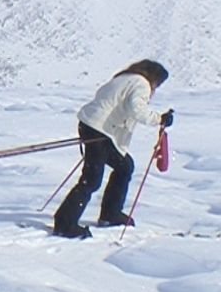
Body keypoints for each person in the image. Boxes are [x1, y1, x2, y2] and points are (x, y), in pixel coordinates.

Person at [53, 59, 174, 238]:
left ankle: (111, 213)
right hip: (100, 130)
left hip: (93, 126)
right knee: (91, 179)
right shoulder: (141, 84)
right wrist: (160, 119)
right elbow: (137, 109)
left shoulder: (124, 78)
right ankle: (65, 223)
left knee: (124, 166)